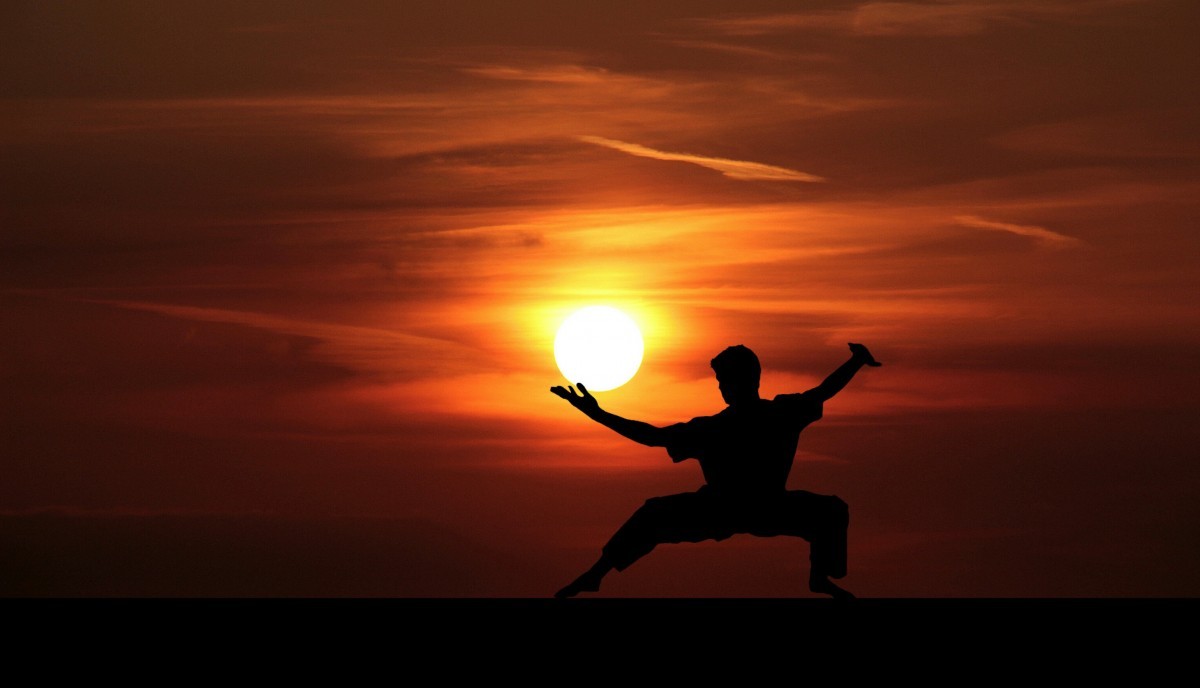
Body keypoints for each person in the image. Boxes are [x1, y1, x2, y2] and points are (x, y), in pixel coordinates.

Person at [550, 342, 881, 599]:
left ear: (746, 380)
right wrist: (598, 413)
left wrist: (597, 413)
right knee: (652, 513)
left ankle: (819, 576)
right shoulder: (753, 419)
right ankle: (596, 574)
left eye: (724, 380)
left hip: (762, 506)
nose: (722, 387)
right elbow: (653, 437)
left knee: (832, 510)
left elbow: (825, 390)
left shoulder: (768, 416)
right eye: (720, 380)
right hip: (725, 507)